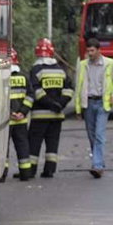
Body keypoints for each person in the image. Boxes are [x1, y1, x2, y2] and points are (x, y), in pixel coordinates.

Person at [74, 37, 113, 178]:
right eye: (88, 51)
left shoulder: (109, 64)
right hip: (88, 104)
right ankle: (98, 162)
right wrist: (78, 109)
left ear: (99, 50)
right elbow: (78, 87)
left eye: (92, 51)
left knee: (99, 134)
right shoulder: (83, 65)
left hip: (103, 104)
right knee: (91, 135)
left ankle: (97, 165)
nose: (90, 54)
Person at [28, 38, 73, 178]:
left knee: (34, 143)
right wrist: (60, 104)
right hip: (57, 116)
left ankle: (31, 170)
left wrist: (50, 104)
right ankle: (50, 170)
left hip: (40, 115)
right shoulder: (61, 70)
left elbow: (36, 91)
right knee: (52, 143)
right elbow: (69, 90)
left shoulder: (35, 70)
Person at [0, 48, 34, 182]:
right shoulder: (24, 77)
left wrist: (9, 113)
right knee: (23, 146)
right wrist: (22, 112)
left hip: (6, 120)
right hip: (21, 120)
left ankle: (2, 174)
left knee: (3, 148)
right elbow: (30, 96)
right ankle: (25, 173)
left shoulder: (1, 78)